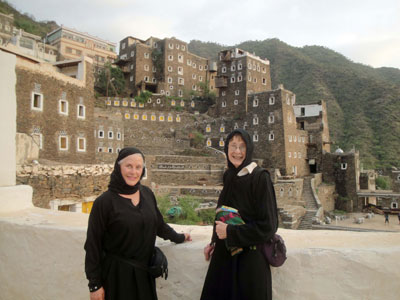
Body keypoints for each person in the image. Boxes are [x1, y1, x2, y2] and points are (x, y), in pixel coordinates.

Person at [84, 147, 191, 300]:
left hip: (143, 274)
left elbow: (158, 225)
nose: (133, 172)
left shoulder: (146, 194)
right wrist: (94, 285)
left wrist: (180, 237)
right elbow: (93, 245)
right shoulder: (105, 202)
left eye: (138, 167)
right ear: (118, 167)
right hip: (116, 277)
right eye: (129, 166)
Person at [200, 129, 278, 300]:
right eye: (233, 146)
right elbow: (223, 211)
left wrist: (230, 232)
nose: (237, 152)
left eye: (242, 147)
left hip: (249, 263)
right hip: (224, 258)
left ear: (249, 149)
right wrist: (214, 241)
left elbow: (268, 226)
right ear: (226, 148)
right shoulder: (229, 175)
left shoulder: (260, 178)